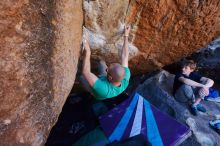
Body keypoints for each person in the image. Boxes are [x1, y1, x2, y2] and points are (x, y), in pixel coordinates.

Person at [81, 25, 131, 100]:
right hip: (106, 79)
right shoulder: (125, 76)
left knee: (81, 76)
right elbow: (125, 55)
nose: (106, 68)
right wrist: (126, 35)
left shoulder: (104, 90)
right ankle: (98, 75)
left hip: (98, 91)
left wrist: (88, 52)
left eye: (107, 69)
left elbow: (86, 72)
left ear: (110, 78)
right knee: (101, 62)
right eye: (109, 66)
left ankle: (90, 90)